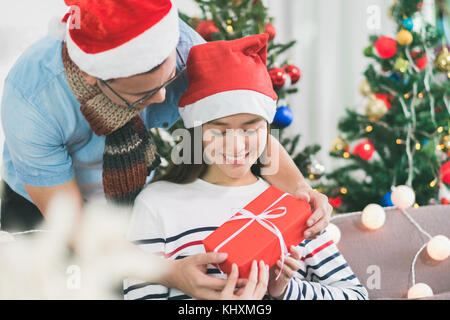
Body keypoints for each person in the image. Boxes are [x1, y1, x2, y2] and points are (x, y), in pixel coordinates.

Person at [0, 0, 330, 299]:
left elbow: (243, 123)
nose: (161, 100)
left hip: (132, 199)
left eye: (167, 79)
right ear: (92, 76)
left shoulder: (186, 51)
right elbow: (71, 225)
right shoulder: (31, 101)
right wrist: (169, 272)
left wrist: (299, 186)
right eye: (142, 95)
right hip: (46, 213)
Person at [124, 34, 368, 300]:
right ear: (196, 130)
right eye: (219, 130)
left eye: (251, 128)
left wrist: (285, 291)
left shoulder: (290, 206)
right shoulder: (157, 203)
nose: (236, 146)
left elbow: (355, 295)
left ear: (267, 129)